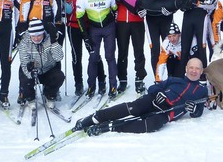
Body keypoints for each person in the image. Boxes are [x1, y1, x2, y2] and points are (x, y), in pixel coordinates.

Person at [74, 57, 209, 135]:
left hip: (167, 113)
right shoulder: (174, 80)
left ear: (201, 71)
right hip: (154, 101)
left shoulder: (201, 91)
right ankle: (95, 118)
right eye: (191, 67)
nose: (194, 71)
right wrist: (158, 93)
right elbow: (153, 87)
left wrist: (193, 110)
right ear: (186, 68)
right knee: (134, 108)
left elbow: (198, 112)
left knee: (152, 124)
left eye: (197, 69)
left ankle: (112, 127)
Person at [76, 0, 119, 97]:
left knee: (110, 57)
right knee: (93, 58)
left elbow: (115, 9)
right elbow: (80, 18)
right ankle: (91, 86)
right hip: (93, 29)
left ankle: (113, 86)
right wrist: (86, 37)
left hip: (109, 28)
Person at [63, 0, 104, 96]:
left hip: (88, 25)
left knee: (94, 53)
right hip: (72, 26)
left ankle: (102, 80)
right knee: (76, 56)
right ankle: (78, 84)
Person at [140, 0, 180, 74]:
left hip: (166, 17)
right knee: (155, 49)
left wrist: (172, 9)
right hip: (151, 19)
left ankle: (171, 76)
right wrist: (141, 9)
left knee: (169, 46)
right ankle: (158, 79)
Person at [112, 0, 146, 94]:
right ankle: (123, 80)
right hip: (121, 22)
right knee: (122, 52)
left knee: (139, 52)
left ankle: (139, 79)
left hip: (137, 21)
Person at [16, 18, 65, 106]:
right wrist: (30, 70)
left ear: (42, 33)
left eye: (39, 35)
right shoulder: (24, 43)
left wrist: (54, 42)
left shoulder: (49, 39)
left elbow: (59, 57)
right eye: (33, 36)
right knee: (24, 78)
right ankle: (30, 97)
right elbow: (24, 63)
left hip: (48, 69)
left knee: (59, 76)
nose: (36, 38)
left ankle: (49, 95)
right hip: (34, 71)